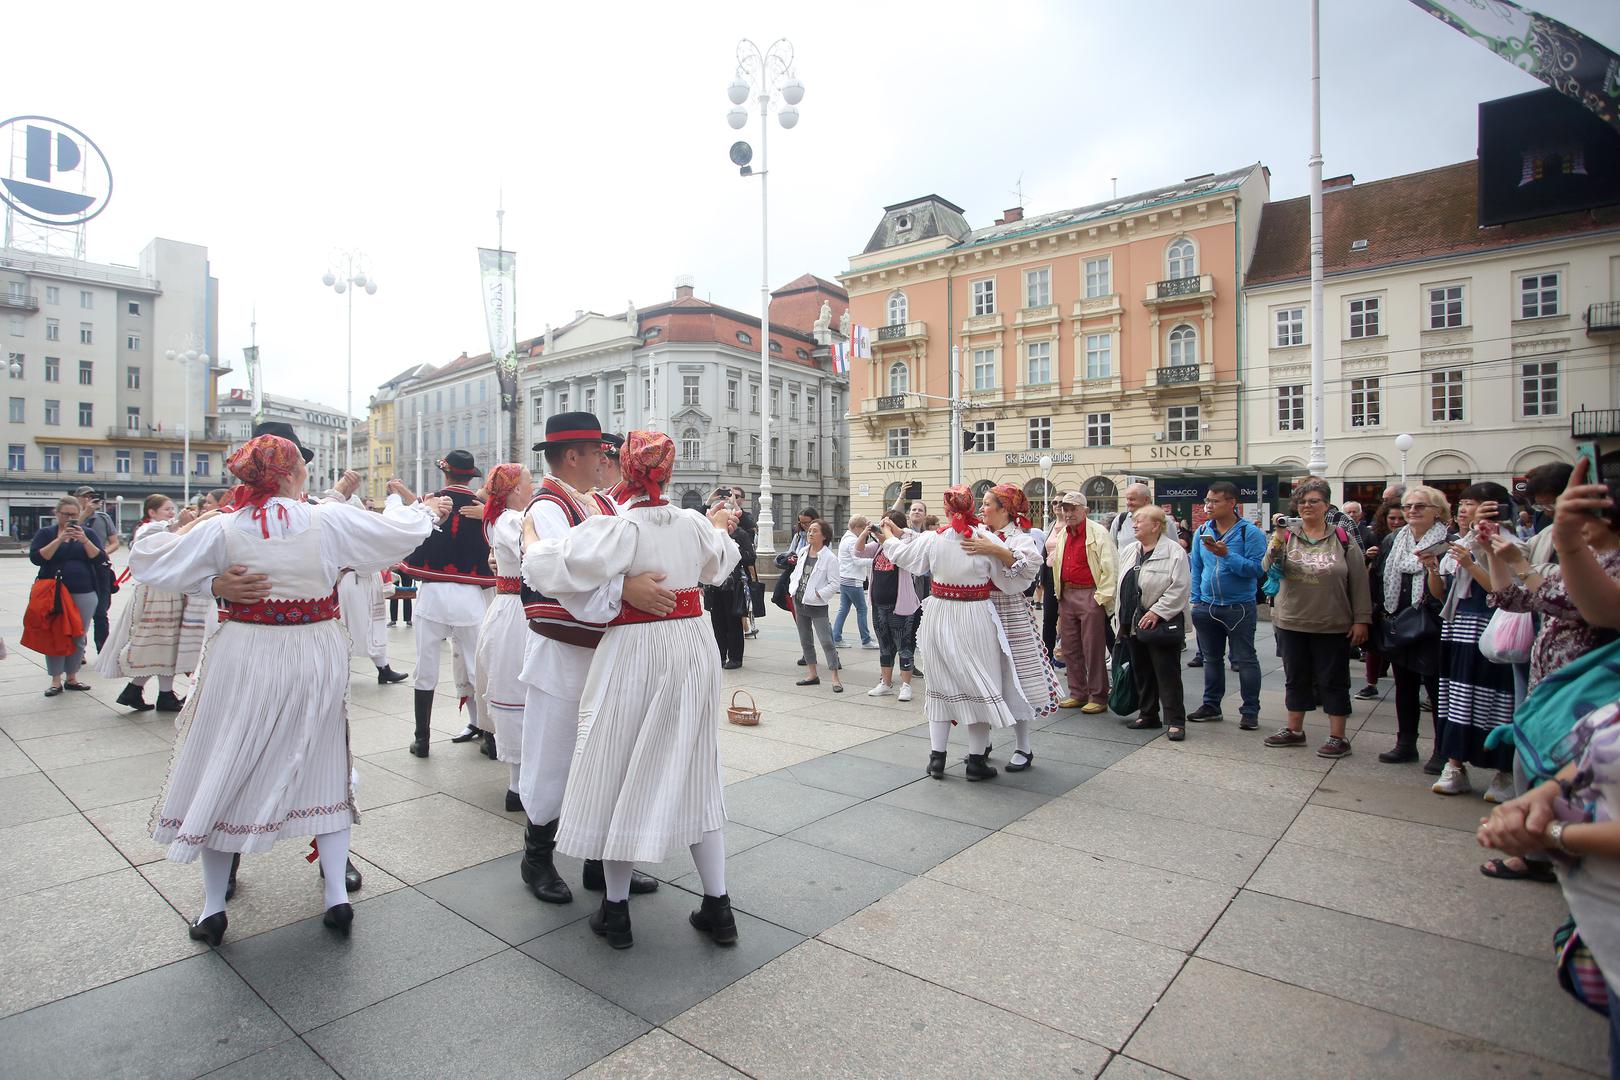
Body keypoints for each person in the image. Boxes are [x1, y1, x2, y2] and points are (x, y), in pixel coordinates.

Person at [128, 433, 450, 947]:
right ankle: (336, 899)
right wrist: (421, 508)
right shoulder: (325, 517)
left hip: (246, 648)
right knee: (325, 758)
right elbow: (395, 533)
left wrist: (207, 574)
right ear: (289, 474)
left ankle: (213, 908)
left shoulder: (225, 525)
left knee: (227, 758)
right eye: (301, 463)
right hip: (313, 648)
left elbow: (150, 557)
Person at [524, 431, 742, 950]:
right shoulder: (691, 522)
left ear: (625, 467)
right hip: (693, 646)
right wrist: (712, 526)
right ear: (668, 472)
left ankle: (616, 911)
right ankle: (719, 906)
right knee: (696, 769)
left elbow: (553, 566)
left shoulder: (619, 527)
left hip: (638, 647)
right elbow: (721, 561)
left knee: (620, 767)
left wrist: (531, 539)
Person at [516, 414, 666, 906]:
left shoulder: (600, 501)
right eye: (598, 451)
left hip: (605, 649)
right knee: (553, 754)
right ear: (573, 456)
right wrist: (625, 588)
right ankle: (537, 856)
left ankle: (600, 863)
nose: (606, 458)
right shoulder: (547, 507)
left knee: (605, 753)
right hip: (563, 651)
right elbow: (563, 575)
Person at [881, 485, 1032, 780]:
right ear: (972, 507)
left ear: (948, 511)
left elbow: (904, 557)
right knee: (979, 684)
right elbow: (1013, 578)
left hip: (939, 613)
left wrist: (888, 536)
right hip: (975, 614)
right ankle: (975, 763)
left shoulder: (933, 539)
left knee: (940, 687)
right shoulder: (985, 538)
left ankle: (937, 759)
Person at [1260, 478, 1371, 758]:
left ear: (1326, 505)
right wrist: (1276, 536)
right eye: (1303, 502)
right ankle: (1294, 730)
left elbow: (1359, 581)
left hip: (1332, 622)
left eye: (1314, 501)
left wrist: (1362, 620)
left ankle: (1338, 736)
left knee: (1333, 680)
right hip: (1291, 620)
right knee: (1295, 677)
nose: (1307, 506)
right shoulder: (1287, 534)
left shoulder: (1341, 538)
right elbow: (1267, 566)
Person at [398, 450, 494, 757]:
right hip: (469, 597)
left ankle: (422, 739)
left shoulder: (430, 502)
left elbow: (409, 540)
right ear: (470, 476)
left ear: (446, 473)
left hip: (433, 594)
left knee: (425, 666)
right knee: (478, 667)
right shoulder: (483, 508)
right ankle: (491, 738)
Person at [1431, 483, 1519, 801]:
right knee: (1457, 697)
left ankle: (1504, 772)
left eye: (1474, 504)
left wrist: (1471, 563)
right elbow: (1442, 591)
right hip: (1458, 627)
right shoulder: (1459, 542)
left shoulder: (1508, 542)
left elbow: (1502, 590)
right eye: (1463, 504)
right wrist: (1432, 568)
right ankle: (1455, 765)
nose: (1465, 510)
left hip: (1494, 629)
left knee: (1497, 699)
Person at [96, 494, 217, 712]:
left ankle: (147, 691)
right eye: (166, 509)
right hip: (157, 594)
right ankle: (156, 693)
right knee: (160, 641)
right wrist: (187, 521)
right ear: (152, 512)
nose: (172, 513)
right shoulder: (149, 528)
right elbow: (167, 539)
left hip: (167, 591)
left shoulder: (162, 527)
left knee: (166, 643)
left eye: (173, 508)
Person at [972, 484, 1061, 768]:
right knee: (983, 675)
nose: (981, 509)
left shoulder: (1019, 538)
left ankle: (1023, 746)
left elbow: (1027, 567)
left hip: (1008, 611)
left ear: (1004, 509)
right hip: (980, 610)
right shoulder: (979, 533)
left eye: (986, 504)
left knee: (1016, 676)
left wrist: (995, 549)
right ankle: (981, 741)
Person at [1371, 486, 1452, 768]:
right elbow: (1380, 577)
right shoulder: (1395, 539)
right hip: (1397, 620)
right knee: (1403, 686)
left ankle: (1443, 749)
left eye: (1420, 506)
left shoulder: (1447, 543)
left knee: (1436, 689)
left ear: (1438, 512)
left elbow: (1449, 589)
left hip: (1433, 624)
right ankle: (1405, 743)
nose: (1412, 511)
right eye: (1408, 507)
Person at [474, 463, 535, 812]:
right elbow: (535, 552)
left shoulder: (502, 518)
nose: (533, 487)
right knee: (518, 690)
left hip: (509, 607)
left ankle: (520, 782)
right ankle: (518, 785)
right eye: (528, 482)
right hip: (516, 611)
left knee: (515, 688)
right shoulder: (513, 520)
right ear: (513, 489)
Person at [1187, 481, 1267, 729]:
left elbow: (1256, 570)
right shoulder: (1202, 531)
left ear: (1232, 503)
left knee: (1245, 659)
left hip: (1239, 607)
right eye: (1207, 501)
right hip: (1207, 606)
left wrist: (1227, 555)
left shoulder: (1249, 533)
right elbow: (1197, 567)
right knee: (1211, 659)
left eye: (1214, 501)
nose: (1207, 506)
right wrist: (1196, 599)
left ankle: (1250, 710)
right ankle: (1211, 705)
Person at [1114, 505, 1192, 740]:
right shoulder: (1130, 550)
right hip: (1133, 621)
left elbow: (1180, 588)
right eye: (1134, 521)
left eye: (1140, 520)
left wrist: (1157, 611)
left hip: (1159, 623)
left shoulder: (1174, 552)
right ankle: (1148, 714)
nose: (1135, 524)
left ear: (1157, 526)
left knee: (1167, 673)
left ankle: (1176, 720)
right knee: (1142, 670)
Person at [326, 470, 409, 687]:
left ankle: (384, 668)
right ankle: (340, 671)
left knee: (373, 626)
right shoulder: (343, 533)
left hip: (368, 580)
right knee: (350, 626)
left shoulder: (360, 529)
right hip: (353, 580)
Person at [1047, 491, 1117, 713]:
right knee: (1070, 646)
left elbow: (1110, 566)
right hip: (1067, 594)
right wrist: (1061, 594)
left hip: (1090, 593)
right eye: (1065, 509)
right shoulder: (1064, 534)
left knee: (1093, 647)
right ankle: (1078, 692)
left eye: (1073, 508)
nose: (1068, 513)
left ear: (1085, 511)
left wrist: (1101, 598)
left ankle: (1098, 695)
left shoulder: (1098, 532)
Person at [29, 496, 105, 696]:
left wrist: (84, 540)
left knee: (79, 635)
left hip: (85, 591)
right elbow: (37, 558)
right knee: (55, 633)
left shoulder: (86, 533)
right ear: (57, 514)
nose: (70, 518)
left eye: (74, 514)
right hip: (54, 591)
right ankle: (55, 680)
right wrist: (59, 539)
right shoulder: (46, 533)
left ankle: (72, 676)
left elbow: (100, 558)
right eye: (66, 515)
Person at [861, 511, 923, 701]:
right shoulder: (879, 547)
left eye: (886, 525)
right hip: (879, 605)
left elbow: (915, 538)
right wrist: (867, 533)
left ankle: (906, 685)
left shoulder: (905, 546)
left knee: (904, 646)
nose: (882, 528)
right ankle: (886, 683)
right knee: (884, 646)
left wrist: (895, 531)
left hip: (901, 607)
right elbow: (857, 551)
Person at [1355, 500, 1406, 700]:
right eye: (1392, 518)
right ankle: (1371, 683)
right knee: (1374, 645)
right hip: (1380, 596)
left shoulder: (1413, 539)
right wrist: (1367, 557)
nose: (1396, 522)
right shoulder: (1375, 536)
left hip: (1404, 601)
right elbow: (1363, 568)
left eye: (1400, 518)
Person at [788, 519, 844, 692]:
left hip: (817, 605)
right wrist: (793, 588)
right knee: (806, 640)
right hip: (799, 601)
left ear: (824, 536)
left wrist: (819, 594)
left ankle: (835, 677)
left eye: (814, 531)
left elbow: (835, 584)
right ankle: (812, 674)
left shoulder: (829, 558)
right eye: (809, 530)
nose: (810, 533)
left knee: (826, 641)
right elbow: (796, 574)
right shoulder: (804, 551)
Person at [705, 491, 751, 669]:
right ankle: (720, 655)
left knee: (733, 622)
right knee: (717, 622)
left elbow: (750, 557)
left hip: (733, 586)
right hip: (715, 585)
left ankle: (735, 657)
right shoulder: (710, 534)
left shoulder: (739, 534)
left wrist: (734, 550)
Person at [73, 487, 119, 652]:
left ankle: (103, 649)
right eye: (85, 497)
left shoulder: (103, 518)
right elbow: (66, 532)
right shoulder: (73, 518)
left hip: (100, 569)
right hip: (80, 569)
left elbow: (115, 542)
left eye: (92, 497)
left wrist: (101, 554)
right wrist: (84, 514)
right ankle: (80, 651)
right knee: (78, 612)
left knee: (101, 611)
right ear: (77, 498)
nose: (89, 500)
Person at [831, 516, 877, 648]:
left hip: (845, 578)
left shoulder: (847, 537)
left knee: (843, 609)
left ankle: (836, 637)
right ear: (857, 528)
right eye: (864, 529)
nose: (865, 533)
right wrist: (875, 560)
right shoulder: (852, 540)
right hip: (852, 579)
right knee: (862, 609)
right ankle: (866, 640)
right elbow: (857, 560)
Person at [1108, 483, 1178, 549]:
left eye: (1132, 499)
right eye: (1127, 499)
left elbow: (1174, 548)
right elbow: (1111, 548)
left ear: (1146, 499)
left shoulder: (1163, 520)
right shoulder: (1120, 519)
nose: (1128, 503)